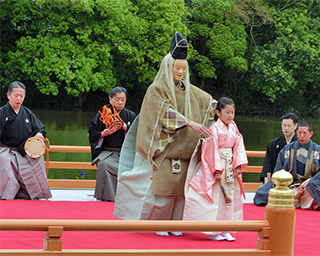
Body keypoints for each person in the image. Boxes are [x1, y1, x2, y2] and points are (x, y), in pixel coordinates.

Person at [114, 32, 215, 236]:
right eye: (177, 68)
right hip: (165, 152)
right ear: (168, 67)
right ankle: (157, 225)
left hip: (183, 154)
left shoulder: (189, 91)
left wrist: (217, 106)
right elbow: (161, 112)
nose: (180, 72)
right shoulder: (157, 89)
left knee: (180, 194)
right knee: (162, 194)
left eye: (183, 69)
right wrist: (188, 122)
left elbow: (206, 101)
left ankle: (176, 225)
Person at [183, 97, 248, 241]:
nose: (230, 115)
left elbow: (238, 145)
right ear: (218, 113)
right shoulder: (213, 129)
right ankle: (213, 231)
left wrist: (237, 165)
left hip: (230, 164)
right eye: (227, 112)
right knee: (216, 197)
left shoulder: (233, 127)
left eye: (232, 112)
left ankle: (226, 229)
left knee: (229, 197)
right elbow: (210, 150)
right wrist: (217, 170)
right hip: (218, 166)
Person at [0, 81, 52, 200]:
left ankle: (33, 193)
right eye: (16, 95)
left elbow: (40, 128)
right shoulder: (2, 113)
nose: (19, 99)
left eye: (21, 96)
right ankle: (6, 194)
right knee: (3, 162)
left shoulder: (27, 113)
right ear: (8, 95)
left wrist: (39, 134)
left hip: (24, 150)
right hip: (5, 150)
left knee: (38, 161)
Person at [254, 121, 320, 210]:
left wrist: (309, 183)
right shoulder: (288, 149)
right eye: (299, 132)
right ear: (296, 132)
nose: (302, 136)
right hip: (290, 185)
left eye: (305, 133)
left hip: (308, 188)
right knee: (262, 193)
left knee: (311, 191)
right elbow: (278, 170)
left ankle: (298, 200)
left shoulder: (317, 150)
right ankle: (299, 201)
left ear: (311, 134)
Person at [88, 87, 136, 201]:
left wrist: (125, 127)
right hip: (107, 152)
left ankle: (125, 197)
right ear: (110, 100)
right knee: (103, 165)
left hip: (125, 153)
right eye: (117, 99)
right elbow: (92, 132)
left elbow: (139, 134)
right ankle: (105, 197)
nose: (120, 102)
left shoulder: (130, 116)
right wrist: (103, 133)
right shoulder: (103, 114)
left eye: (123, 99)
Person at [260, 113, 298, 183]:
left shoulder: (299, 144)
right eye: (284, 125)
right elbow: (268, 166)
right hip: (277, 180)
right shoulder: (273, 144)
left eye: (289, 125)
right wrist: (266, 184)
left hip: (295, 181)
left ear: (295, 126)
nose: (286, 128)